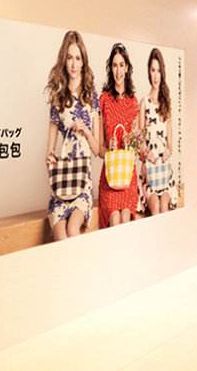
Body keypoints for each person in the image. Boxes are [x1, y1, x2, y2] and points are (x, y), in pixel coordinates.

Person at [44, 31, 101, 241]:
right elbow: (49, 152)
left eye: (78, 58)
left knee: (73, 230)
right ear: (64, 60)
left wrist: (85, 129)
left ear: (83, 62)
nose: (74, 64)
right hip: (63, 180)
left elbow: (97, 149)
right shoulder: (58, 98)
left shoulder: (91, 97)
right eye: (69, 58)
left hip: (82, 179)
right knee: (60, 236)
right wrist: (50, 160)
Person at [98, 43, 140, 228]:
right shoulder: (104, 100)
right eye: (115, 65)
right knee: (115, 219)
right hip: (110, 177)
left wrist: (132, 142)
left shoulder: (133, 102)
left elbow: (138, 145)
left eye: (121, 65)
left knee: (126, 219)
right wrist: (109, 149)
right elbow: (99, 150)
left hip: (128, 175)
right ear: (110, 68)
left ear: (127, 68)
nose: (118, 71)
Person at [139, 48, 175, 215]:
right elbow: (140, 138)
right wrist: (147, 154)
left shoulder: (166, 103)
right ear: (149, 71)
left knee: (164, 207)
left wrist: (167, 152)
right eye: (153, 70)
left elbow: (170, 142)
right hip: (150, 167)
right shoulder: (144, 102)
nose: (155, 75)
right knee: (155, 208)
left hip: (164, 169)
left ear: (162, 73)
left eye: (158, 71)